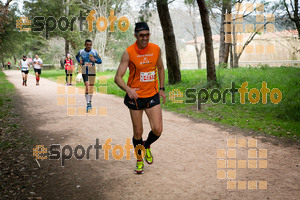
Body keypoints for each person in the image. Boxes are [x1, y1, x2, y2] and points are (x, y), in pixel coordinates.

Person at [114, 22, 166, 174]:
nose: (144, 38)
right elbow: (118, 77)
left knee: (157, 129)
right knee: (138, 132)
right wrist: (127, 89)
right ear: (135, 35)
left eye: (147, 35)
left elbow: (161, 68)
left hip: (151, 95)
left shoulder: (156, 49)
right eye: (141, 35)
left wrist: (161, 88)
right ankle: (139, 159)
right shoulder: (129, 53)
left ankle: (146, 145)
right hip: (135, 97)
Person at [76, 39, 102, 112]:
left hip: (92, 70)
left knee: (90, 87)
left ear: (91, 45)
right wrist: (79, 61)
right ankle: (88, 104)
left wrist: (95, 60)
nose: (88, 46)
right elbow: (77, 57)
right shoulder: (81, 52)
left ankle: (90, 101)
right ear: (85, 45)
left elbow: (100, 61)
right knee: (87, 86)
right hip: (84, 69)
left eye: (90, 45)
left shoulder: (94, 52)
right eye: (87, 45)